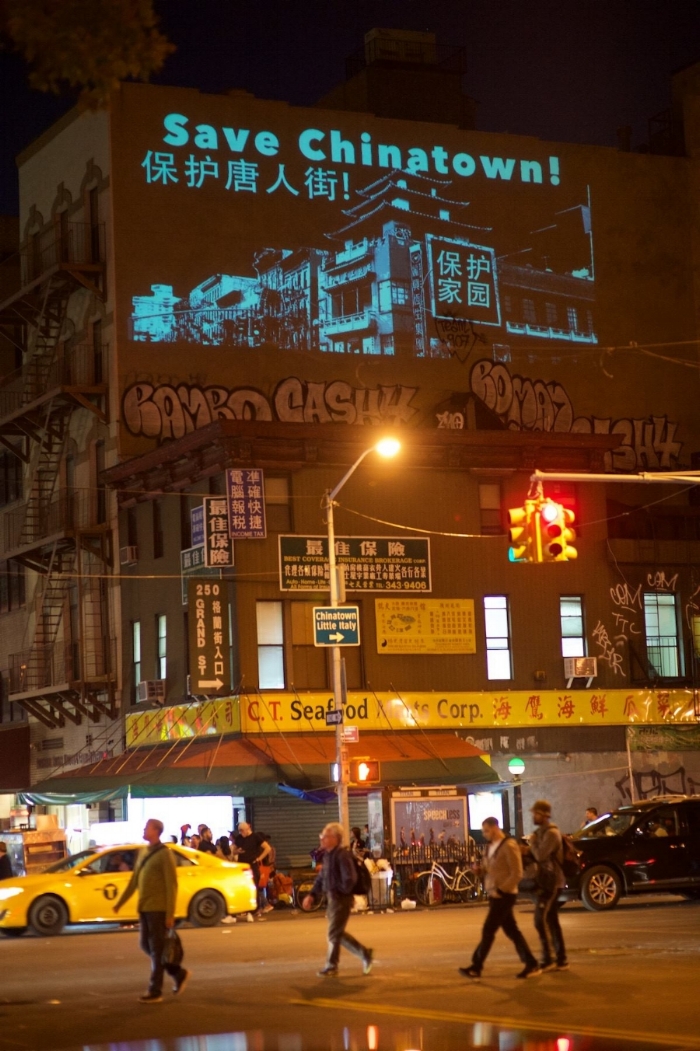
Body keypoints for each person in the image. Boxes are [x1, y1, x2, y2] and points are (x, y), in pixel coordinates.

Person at [113, 818, 190, 1003]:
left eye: (147, 827)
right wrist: (120, 902)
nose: (144, 829)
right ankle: (177, 973)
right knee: (146, 946)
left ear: (156, 831)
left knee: (156, 949)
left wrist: (170, 913)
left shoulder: (165, 854)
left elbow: (171, 885)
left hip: (159, 908)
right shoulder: (144, 852)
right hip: (145, 907)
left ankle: (155, 991)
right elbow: (134, 880)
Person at [459, 818, 540, 980]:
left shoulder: (509, 845)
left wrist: (502, 890)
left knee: (488, 930)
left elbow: (517, 872)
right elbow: (489, 868)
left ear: (495, 828)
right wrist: (479, 871)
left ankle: (476, 966)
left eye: (486, 831)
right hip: (494, 894)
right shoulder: (489, 847)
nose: (484, 834)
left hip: (505, 895)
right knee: (512, 930)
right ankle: (531, 963)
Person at [302, 822, 374, 977]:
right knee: (337, 933)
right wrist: (312, 894)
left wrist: (342, 893)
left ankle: (331, 965)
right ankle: (365, 953)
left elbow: (350, 878)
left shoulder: (342, 855)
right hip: (333, 899)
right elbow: (321, 878)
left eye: (325, 836)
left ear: (335, 838)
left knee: (333, 933)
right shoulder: (328, 855)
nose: (321, 839)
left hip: (340, 899)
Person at [524, 800, 568, 972]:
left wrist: (533, 843)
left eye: (536, 813)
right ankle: (561, 959)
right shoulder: (540, 832)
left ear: (545, 815)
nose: (533, 816)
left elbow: (541, 855)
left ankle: (548, 958)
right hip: (545, 881)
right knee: (552, 920)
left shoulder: (551, 834)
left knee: (539, 920)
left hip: (553, 882)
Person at [232, 822, 273, 914]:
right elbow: (233, 851)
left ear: (247, 829)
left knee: (254, 887)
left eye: (242, 830)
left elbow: (267, 848)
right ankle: (244, 909)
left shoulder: (255, 837)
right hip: (242, 867)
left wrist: (259, 859)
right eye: (240, 831)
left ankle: (255, 909)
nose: (241, 833)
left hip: (253, 865)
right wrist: (237, 851)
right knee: (243, 888)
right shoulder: (239, 838)